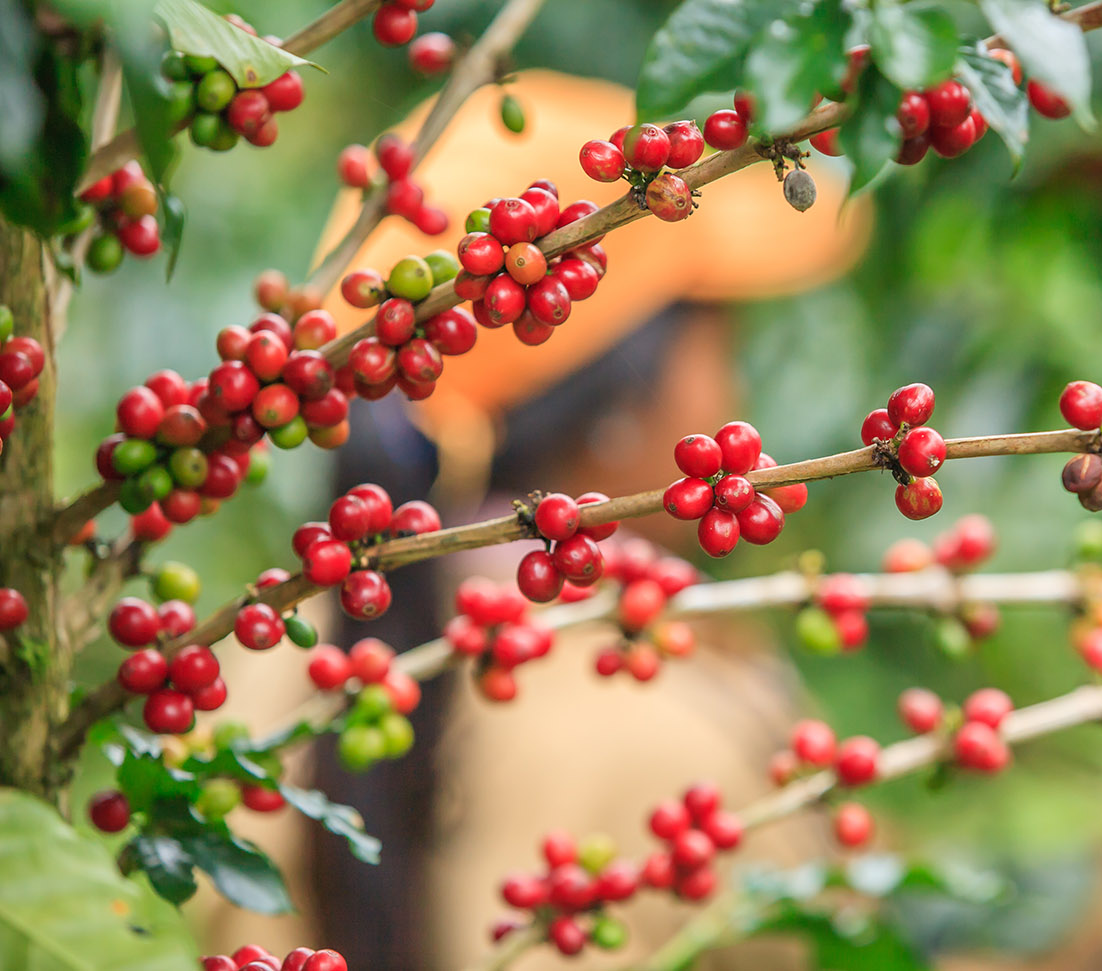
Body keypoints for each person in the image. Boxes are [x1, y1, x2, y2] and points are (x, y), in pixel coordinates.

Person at [195, 68, 868, 969]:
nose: (733, 389)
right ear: (616, 398)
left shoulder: (255, 672)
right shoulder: (678, 736)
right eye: (717, 341)